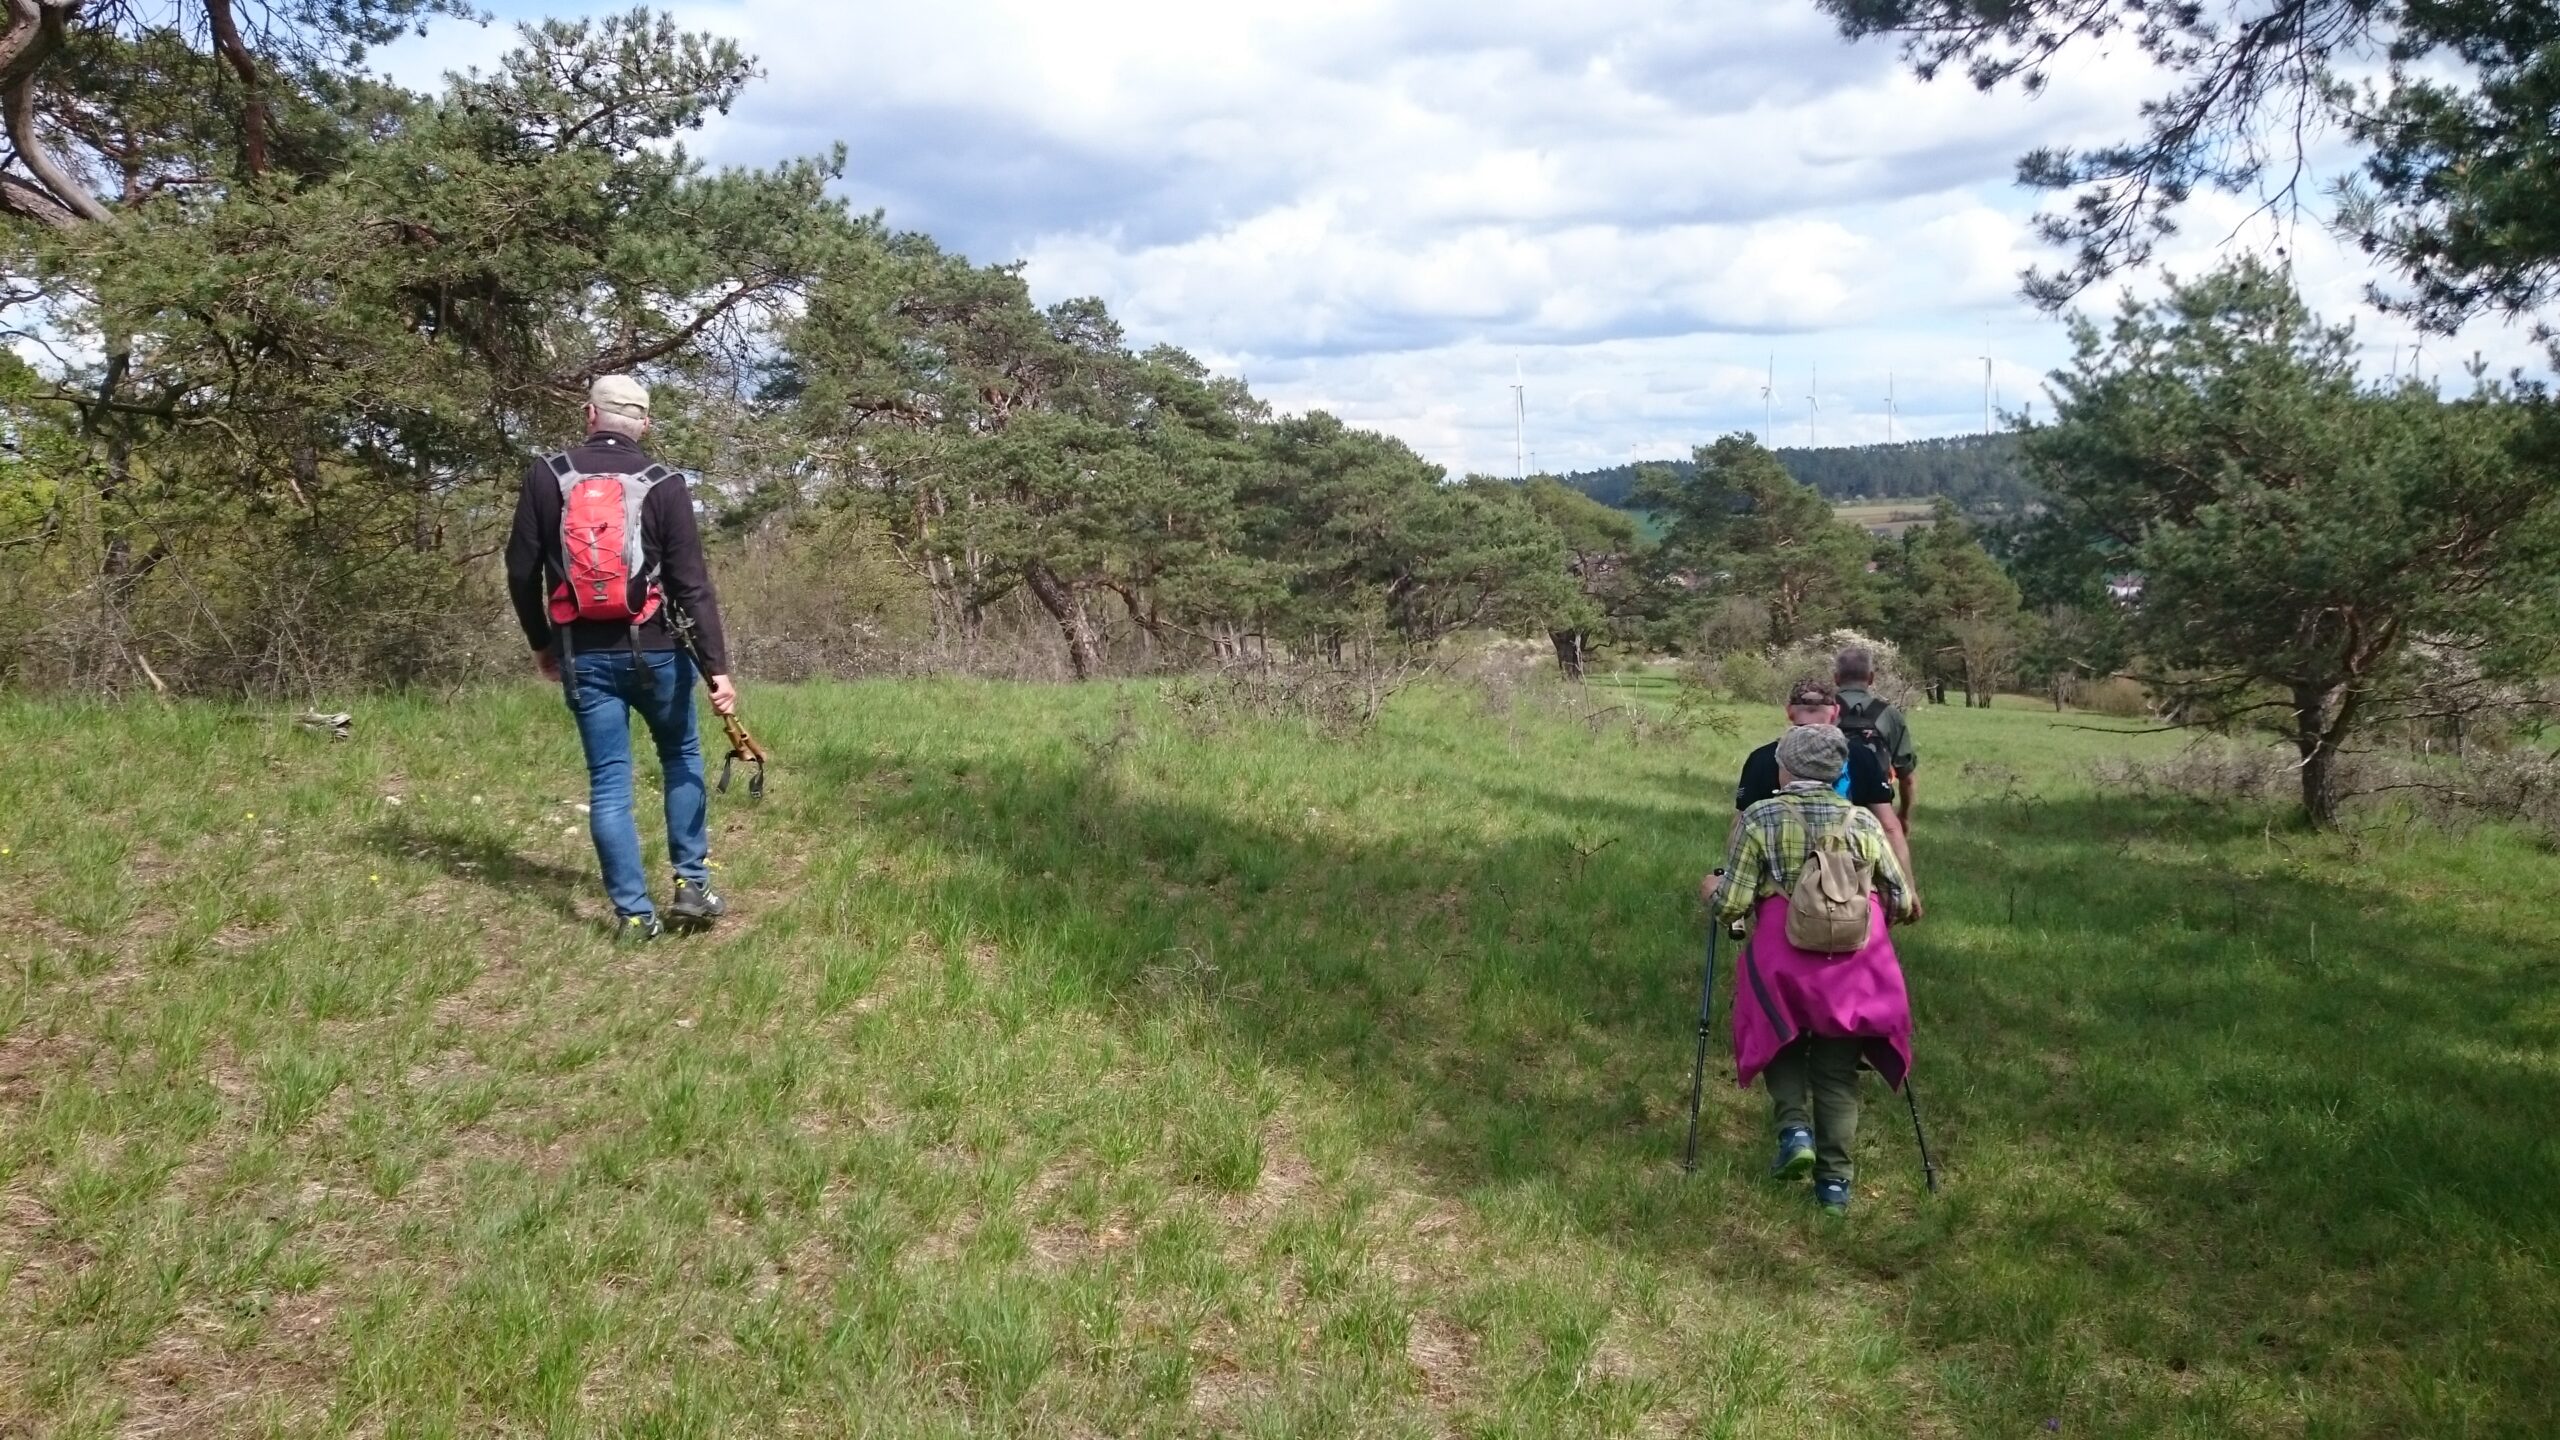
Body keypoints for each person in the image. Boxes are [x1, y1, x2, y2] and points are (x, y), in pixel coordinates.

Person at [505, 375, 739, 943]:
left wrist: (542, 643)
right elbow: (692, 586)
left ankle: (635, 916)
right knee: (681, 757)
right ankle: (691, 884)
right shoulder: (664, 484)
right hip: (659, 651)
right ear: (645, 425)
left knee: (610, 781)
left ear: (590, 415)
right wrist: (717, 669)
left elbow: (520, 571)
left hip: (583, 654)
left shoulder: (547, 476)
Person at [1702, 724, 1918, 1215]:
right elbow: (1901, 901)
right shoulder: (1862, 822)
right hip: (1854, 962)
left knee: (1778, 1036)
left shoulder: (1761, 817)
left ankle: (1795, 1130)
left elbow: (1732, 905)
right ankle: (1835, 1189)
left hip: (1783, 957)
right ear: (1840, 770)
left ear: (1785, 766)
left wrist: (1711, 892)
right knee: (1838, 1074)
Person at [1733, 676, 1916, 900]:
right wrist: (1908, 888)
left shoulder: (1761, 758)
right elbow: (1890, 827)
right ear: (1836, 711)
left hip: (1781, 893)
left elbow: (1741, 825)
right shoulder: (1861, 756)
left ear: (1789, 711)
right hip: (1850, 893)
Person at [1834, 647, 1916, 827]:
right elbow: (1906, 777)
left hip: (1829, 807)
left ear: (1836, 678)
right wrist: (1903, 816)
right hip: (1875, 810)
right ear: (1871, 678)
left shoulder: (1823, 711)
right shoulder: (1889, 715)